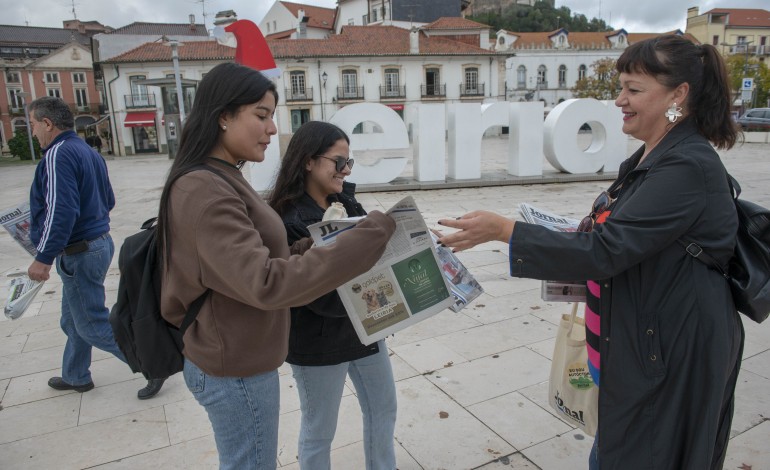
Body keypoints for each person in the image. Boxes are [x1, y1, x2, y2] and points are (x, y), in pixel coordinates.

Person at [438, 35, 742, 470]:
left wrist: (505, 230)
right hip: (645, 342)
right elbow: (626, 237)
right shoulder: (656, 154)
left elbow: (607, 250)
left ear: (679, 95)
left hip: (672, 348)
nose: (619, 100)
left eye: (634, 89)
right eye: (621, 87)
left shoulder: (686, 164)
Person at [156, 63, 396, 470]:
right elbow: (267, 282)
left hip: (243, 354)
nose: (272, 129)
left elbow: (264, 258)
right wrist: (365, 238)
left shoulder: (223, 176)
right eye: (262, 115)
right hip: (233, 365)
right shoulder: (206, 187)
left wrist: (319, 241)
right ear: (223, 116)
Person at [269, 121, 398, 470]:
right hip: (319, 341)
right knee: (319, 430)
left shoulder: (346, 201)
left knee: (383, 410)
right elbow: (312, 291)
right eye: (338, 162)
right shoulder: (287, 218)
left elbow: (367, 258)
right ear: (308, 161)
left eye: (349, 163)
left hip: (365, 330)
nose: (346, 170)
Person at [26, 96, 165, 400]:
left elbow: (60, 211)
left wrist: (43, 257)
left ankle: (152, 365)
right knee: (72, 320)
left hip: (79, 250)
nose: (33, 131)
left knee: (90, 323)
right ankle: (76, 375)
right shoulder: (87, 152)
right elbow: (109, 200)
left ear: (48, 123)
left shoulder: (57, 154)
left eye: (34, 124)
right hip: (97, 243)